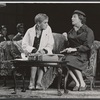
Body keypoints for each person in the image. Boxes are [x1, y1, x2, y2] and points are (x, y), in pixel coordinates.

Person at [60, 10, 94, 91]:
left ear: (80, 19)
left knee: (69, 60)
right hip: (72, 54)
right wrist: (66, 39)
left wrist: (74, 49)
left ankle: (81, 83)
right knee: (64, 60)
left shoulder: (88, 31)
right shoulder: (71, 31)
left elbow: (88, 46)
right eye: (72, 17)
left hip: (83, 55)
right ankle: (78, 83)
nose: (72, 18)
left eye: (74, 17)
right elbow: (69, 45)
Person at [22, 13, 54, 90]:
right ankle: (32, 81)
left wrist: (44, 50)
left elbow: (50, 44)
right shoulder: (30, 31)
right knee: (35, 58)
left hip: (44, 53)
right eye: (45, 22)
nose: (47, 24)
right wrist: (33, 50)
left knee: (41, 59)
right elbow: (24, 44)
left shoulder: (48, 29)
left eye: (47, 22)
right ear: (38, 23)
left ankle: (39, 82)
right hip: (31, 53)